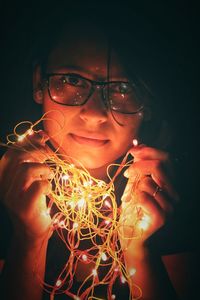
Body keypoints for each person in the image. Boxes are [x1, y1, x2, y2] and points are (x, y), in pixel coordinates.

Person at [0, 9, 196, 300]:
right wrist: (29, 240)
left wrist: (139, 250)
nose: (93, 114)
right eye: (72, 79)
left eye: (122, 87)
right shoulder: (6, 192)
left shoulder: (180, 200)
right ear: (38, 82)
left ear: (149, 103)